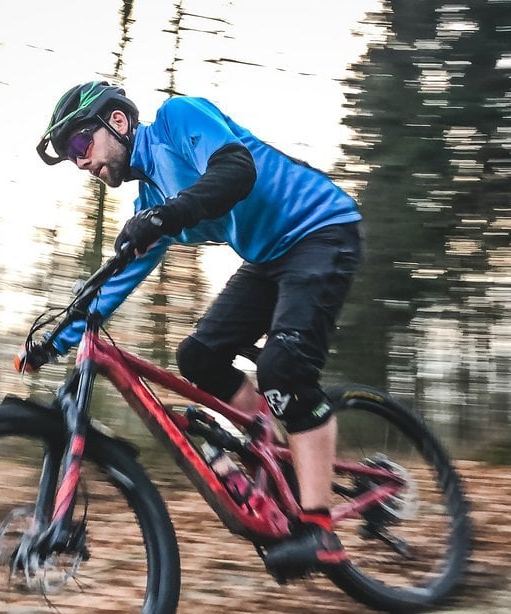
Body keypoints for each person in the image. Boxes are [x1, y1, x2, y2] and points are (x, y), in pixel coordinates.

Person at [33, 80, 363, 578]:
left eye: (81, 145)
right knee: (199, 358)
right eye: (72, 157)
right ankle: (273, 450)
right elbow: (114, 281)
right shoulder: (150, 199)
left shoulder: (177, 119)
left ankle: (320, 532)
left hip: (321, 228)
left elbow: (236, 171)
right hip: (270, 257)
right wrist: (53, 341)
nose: (81, 162)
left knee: (283, 367)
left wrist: (165, 216)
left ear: (116, 122)